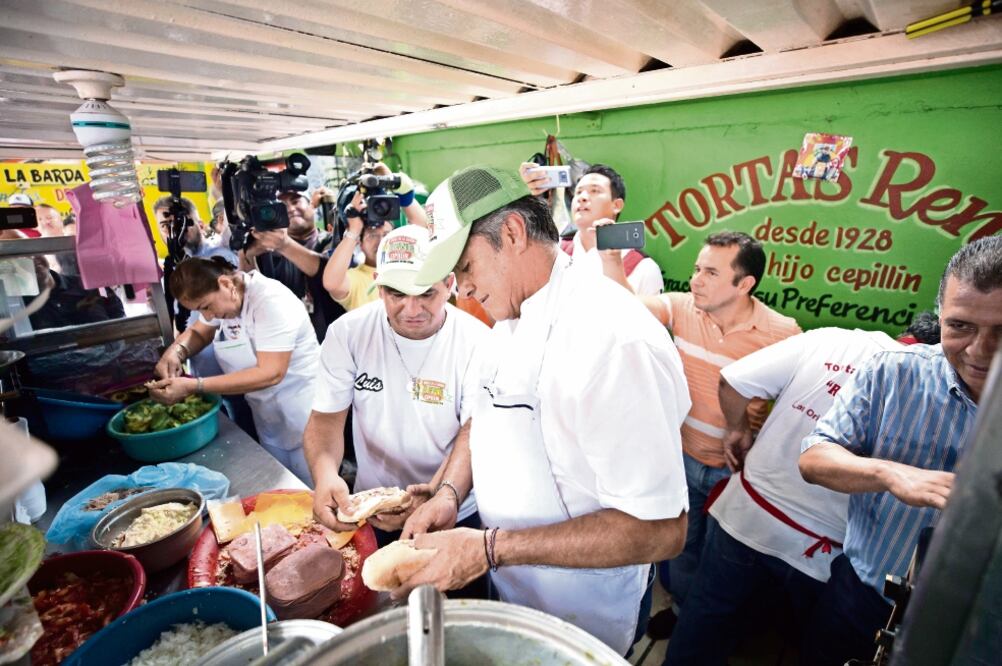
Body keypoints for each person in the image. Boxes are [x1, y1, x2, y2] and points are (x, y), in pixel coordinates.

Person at [396, 165, 690, 656]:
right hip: (512, 588)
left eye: (465, 267)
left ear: (511, 233)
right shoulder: (508, 316)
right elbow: (484, 417)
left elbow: (662, 529)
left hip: (582, 614)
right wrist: (449, 492)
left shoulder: (614, 339)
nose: (462, 289)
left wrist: (489, 549)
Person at [798, 235, 1002, 666]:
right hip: (861, 596)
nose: (980, 351)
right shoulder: (893, 373)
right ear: (940, 314)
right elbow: (815, 458)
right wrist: (891, 474)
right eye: (960, 326)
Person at [663, 326, 899, 665]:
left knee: (708, 617)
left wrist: (737, 429)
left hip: (752, 517)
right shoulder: (929, 389)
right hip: (827, 548)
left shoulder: (833, 340)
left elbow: (732, 380)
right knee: (797, 642)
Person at [626, 231, 801, 632]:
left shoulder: (783, 333)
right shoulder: (683, 309)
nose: (695, 280)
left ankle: (711, 629)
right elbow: (626, 309)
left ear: (745, 284)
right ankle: (686, 613)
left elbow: (792, 412)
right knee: (682, 549)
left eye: (710, 272)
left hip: (736, 472)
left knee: (724, 561)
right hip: (682, 460)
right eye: (696, 269)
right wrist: (610, 258)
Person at [304, 225, 489, 548]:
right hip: (370, 504)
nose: (412, 310)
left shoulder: (478, 342)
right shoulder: (348, 334)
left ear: (449, 284)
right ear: (378, 286)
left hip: (453, 506)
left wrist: (437, 493)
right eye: (397, 294)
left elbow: (474, 433)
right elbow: (325, 419)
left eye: (427, 293)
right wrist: (325, 475)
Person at [149, 256, 320, 483]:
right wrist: (176, 352)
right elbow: (200, 332)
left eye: (207, 307)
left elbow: (271, 372)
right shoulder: (226, 299)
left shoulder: (271, 301)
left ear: (226, 284)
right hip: (268, 416)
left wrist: (195, 386)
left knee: (313, 490)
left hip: (304, 415)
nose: (208, 316)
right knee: (284, 487)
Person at [520, 163, 664, 295]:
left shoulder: (644, 268)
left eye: (594, 191)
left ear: (617, 205)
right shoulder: (552, 250)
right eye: (578, 192)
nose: (582, 197)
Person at [241, 186, 343, 341]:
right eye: (282, 206)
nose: (290, 208)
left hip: (334, 340)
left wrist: (284, 244)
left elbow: (328, 271)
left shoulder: (332, 241)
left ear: (312, 206)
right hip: (287, 345)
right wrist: (246, 253)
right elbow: (249, 290)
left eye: (296, 201)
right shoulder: (267, 252)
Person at [322, 163, 428, 312]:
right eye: (372, 235)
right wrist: (354, 229)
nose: (381, 241)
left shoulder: (409, 266)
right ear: (360, 242)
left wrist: (402, 194)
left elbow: (425, 232)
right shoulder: (356, 279)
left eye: (386, 234)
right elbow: (332, 283)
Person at [152, 196, 236, 264]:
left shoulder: (222, 257)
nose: (175, 231)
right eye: (165, 225)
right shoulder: (168, 269)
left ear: (201, 226)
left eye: (181, 223)